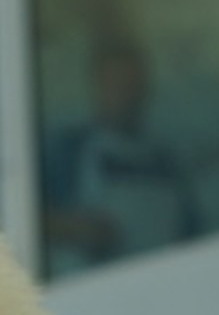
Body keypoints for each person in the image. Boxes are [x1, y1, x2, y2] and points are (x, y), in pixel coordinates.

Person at [43, 35, 198, 277]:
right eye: (116, 84)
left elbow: (192, 234)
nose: (126, 95)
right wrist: (78, 229)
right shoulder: (70, 151)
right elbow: (29, 219)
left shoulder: (165, 160)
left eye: (132, 85)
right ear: (97, 87)